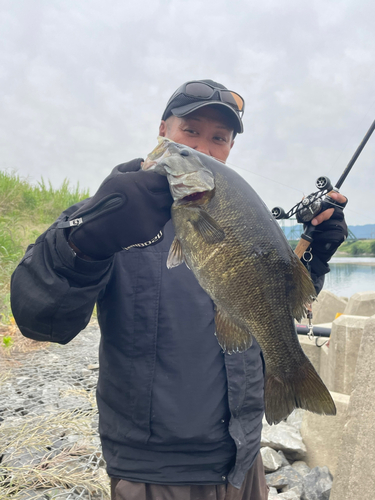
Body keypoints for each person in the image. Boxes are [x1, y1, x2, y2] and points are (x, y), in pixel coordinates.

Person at [10, 80, 348, 500]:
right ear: (162, 132)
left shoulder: (237, 210)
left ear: (229, 148)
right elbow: (39, 320)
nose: (204, 150)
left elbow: (265, 300)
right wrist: (86, 240)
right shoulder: (109, 213)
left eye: (219, 138)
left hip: (244, 463)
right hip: (157, 473)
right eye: (190, 132)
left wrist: (313, 257)